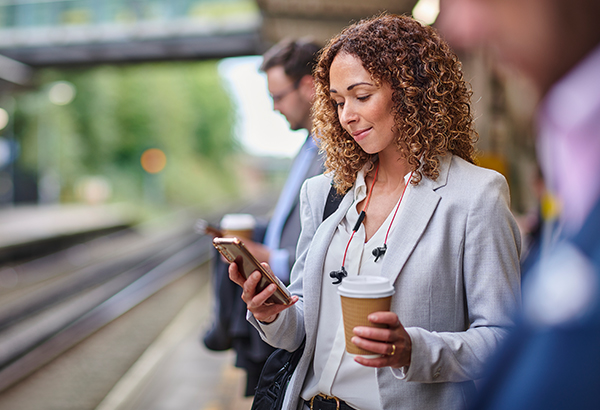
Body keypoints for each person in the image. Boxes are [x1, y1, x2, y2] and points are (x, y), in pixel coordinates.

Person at [229, 14, 521, 410]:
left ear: (411, 91)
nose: (346, 115)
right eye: (336, 101)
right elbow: (300, 333)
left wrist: (412, 349)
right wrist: (272, 313)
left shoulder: (475, 196)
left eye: (361, 95)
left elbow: (505, 338)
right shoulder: (324, 194)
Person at [437, 0, 600, 408]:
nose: (460, 28)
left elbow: (497, 329)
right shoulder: (570, 145)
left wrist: (415, 349)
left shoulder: (480, 191)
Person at [202, 38, 324, 397]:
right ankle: (224, 328)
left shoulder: (331, 153)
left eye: (279, 96)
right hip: (281, 302)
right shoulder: (307, 147)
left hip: (295, 297)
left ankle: (223, 329)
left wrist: (273, 257)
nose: (274, 107)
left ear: (308, 86)